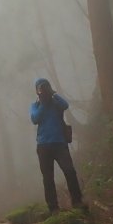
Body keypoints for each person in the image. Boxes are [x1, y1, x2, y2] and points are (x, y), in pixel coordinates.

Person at [30, 77, 86, 214]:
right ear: (37, 91)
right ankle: (53, 208)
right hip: (43, 146)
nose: (43, 90)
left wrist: (53, 93)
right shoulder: (36, 105)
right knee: (48, 178)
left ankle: (77, 201)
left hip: (60, 143)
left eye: (45, 87)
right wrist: (43, 102)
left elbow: (65, 105)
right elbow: (34, 119)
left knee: (70, 171)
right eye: (41, 88)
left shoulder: (56, 102)